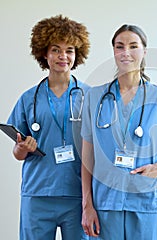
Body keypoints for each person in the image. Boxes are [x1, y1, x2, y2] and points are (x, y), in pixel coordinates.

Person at [81, 24, 157, 240]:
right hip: (105, 203)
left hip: (146, 200)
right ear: (113, 51)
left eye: (133, 46)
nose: (126, 52)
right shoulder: (95, 97)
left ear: (144, 51)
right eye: (119, 46)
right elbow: (87, 156)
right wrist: (87, 205)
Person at [7, 15, 90, 240]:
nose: (63, 56)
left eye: (69, 50)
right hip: (38, 194)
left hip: (77, 195)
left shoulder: (90, 96)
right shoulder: (28, 98)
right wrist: (24, 147)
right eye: (56, 49)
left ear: (77, 54)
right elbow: (17, 152)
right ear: (44, 53)